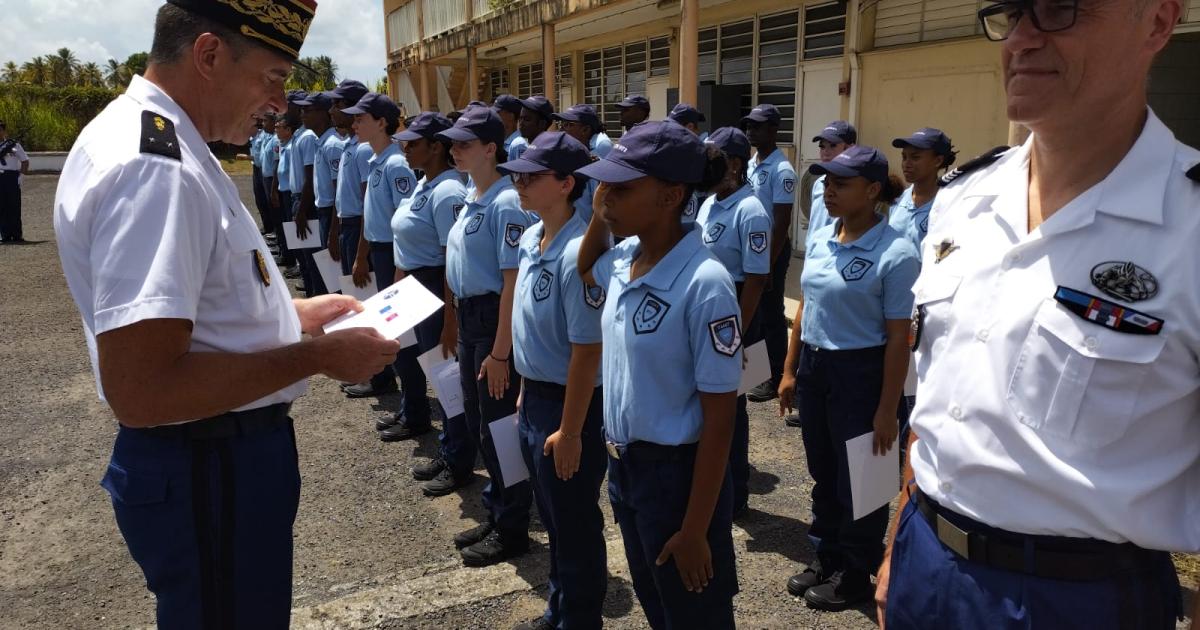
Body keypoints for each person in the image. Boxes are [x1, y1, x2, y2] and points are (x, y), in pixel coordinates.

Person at [51, 2, 403, 626]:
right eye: (272, 77)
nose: (280, 102)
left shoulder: (166, 141)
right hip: (208, 467)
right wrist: (317, 357)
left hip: (213, 461)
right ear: (209, 55)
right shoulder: (154, 170)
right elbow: (144, 389)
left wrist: (294, 315)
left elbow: (202, 305)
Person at [879, 1, 1200, 628]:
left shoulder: (1188, 223)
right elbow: (940, 403)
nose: (1022, 39)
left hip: (1080, 598)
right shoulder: (962, 199)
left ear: (1158, 23)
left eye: (1059, 9)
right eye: (1011, 12)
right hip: (926, 557)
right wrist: (900, 541)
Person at [575, 120, 741, 628]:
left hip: (677, 477)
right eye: (603, 185)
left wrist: (695, 530)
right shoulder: (626, 258)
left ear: (671, 197)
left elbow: (720, 423)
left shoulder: (705, 283)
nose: (606, 197)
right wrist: (604, 211)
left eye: (622, 188)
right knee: (657, 602)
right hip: (626, 469)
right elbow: (586, 268)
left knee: (695, 613)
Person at [776, 146, 917, 611]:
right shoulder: (822, 238)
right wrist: (790, 369)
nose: (829, 191)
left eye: (841, 183)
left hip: (863, 371)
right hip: (818, 366)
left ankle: (858, 570)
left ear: (873, 190)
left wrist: (885, 409)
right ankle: (829, 555)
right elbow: (804, 310)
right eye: (827, 182)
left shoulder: (895, 252)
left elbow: (899, 338)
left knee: (866, 475)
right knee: (825, 470)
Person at [500, 131, 607, 630]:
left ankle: (579, 618)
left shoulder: (580, 255)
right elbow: (531, 329)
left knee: (575, 522)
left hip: (572, 407)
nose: (519, 183)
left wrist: (569, 431)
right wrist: (525, 383)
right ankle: (559, 607)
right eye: (517, 175)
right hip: (538, 396)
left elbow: (587, 351)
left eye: (531, 176)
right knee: (554, 518)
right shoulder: (530, 237)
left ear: (567, 183)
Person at [437, 105, 535, 566]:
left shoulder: (506, 201)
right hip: (470, 316)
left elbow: (512, 282)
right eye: (453, 143)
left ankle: (513, 526)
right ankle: (499, 510)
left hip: (494, 322)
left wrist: (500, 353)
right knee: (480, 425)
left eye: (465, 143)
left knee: (498, 428)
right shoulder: (472, 195)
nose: (454, 149)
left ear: (491, 148)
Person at [376, 113, 467, 456]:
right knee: (416, 362)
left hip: (435, 289)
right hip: (413, 285)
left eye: (414, 143)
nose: (406, 148)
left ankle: (456, 453)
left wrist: (450, 319)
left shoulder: (447, 191)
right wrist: (394, 291)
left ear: (436, 147)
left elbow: (451, 262)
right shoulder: (423, 182)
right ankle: (425, 425)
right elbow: (405, 243)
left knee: (444, 376)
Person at [696, 127, 772, 517]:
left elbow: (757, 278)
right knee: (710, 402)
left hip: (740, 318)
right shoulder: (710, 203)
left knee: (732, 408)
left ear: (737, 164)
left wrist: (738, 333)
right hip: (712, 316)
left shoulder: (750, 209)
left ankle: (736, 492)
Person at [346, 93, 415, 404]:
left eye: (361, 118)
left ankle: (413, 409)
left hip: (394, 254)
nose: (354, 123)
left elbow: (407, 222)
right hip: (379, 251)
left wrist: (399, 265)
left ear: (382, 123)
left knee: (399, 332)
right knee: (381, 325)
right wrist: (363, 254)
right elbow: (370, 214)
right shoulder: (375, 160)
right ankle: (386, 382)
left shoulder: (396, 164)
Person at [741, 104, 797, 405]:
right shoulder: (752, 164)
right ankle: (756, 373)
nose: (751, 131)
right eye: (749, 126)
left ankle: (774, 376)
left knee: (770, 315)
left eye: (758, 126)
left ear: (774, 130)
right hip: (754, 248)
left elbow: (782, 220)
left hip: (771, 249)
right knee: (754, 313)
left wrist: (769, 265)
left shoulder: (781, 170)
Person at [329, 79, 372, 277]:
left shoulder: (364, 148)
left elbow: (368, 207)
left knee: (363, 297)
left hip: (358, 229)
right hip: (347, 226)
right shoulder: (349, 144)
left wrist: (361, 255)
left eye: (338, 105)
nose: (331, 111)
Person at [890, 127, 956, 253]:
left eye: (915, 157)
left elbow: (945, 253)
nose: (906, 164)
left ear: (938, 161)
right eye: (904, 157)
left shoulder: (948, 205)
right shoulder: (898, 200)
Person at [296, 91, 343, 259]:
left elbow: (339, 192)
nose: (302, 115)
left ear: (323, 114)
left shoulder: (332, 146)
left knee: (336, 273)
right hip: (323, 211)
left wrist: (333, 230)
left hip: (331, 213)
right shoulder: (321, 142)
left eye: (308, 110)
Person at [804, 121, 857, 253]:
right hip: (813, 253)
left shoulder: (856, 187)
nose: (825, 153)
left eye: (833, 146)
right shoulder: (818, 183)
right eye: (822, 147)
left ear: (850, 149)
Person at [551, 103, 608, 222]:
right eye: (562, 124)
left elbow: (601, 214)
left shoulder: (596, 168)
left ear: (585, 130)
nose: (562, 129)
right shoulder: (557, 162)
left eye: (568, 125)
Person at [668, 103, 711, 223]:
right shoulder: (674, 149)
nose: (669, 131)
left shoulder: (705, 153)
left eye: (674, 128)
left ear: (690, 127)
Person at [274, 114, 300, 273]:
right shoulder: (284, 144)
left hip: (291, 192)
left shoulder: (291, 147)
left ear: (288, 130)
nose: (276, 130)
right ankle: (293, 261)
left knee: (293, 228)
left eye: (279, 128)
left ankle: (297, 264)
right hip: (284, 191)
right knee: (287, 227)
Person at [0, 120, 30, 243]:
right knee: (1, 207)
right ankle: (5, 235)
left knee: (14, 206)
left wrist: (21, 177)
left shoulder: (14, 145)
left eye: (0, 129)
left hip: (12, 177)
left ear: (4, 131)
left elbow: (25, 161)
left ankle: (17, 235)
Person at [257, 113, 281, 237]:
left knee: (277, 213)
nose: (263, 124)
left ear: (273, 122)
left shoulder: (277, 140)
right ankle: (277, 239)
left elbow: (277, 164)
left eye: (266, 121)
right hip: (266, 177)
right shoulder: (271, 138)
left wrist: (273, 188)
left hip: (272, 179)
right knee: (271, 210)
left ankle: (281, 244)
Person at [494, 94, 528, 161]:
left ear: (511, 116)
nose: (493, 116)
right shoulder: (501, 142)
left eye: (497, 112)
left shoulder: (518, 144)